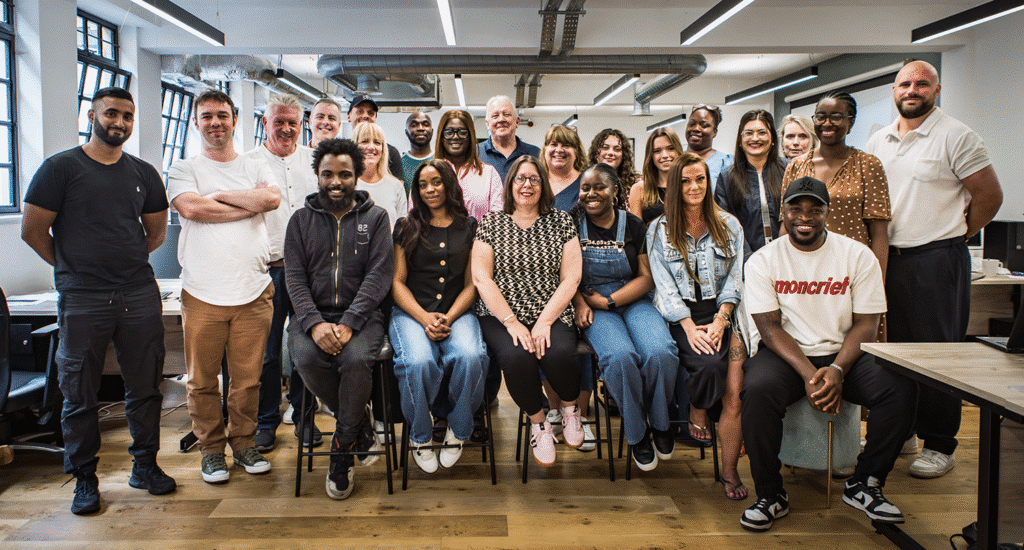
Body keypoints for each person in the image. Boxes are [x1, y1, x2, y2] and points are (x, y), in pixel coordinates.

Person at [21, 86, 176, 514]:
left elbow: (156, 233)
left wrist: (122, 264)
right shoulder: (60, 169)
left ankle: (145, 466)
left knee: (145, 388)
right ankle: (84, 479)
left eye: (127, 116)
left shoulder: (143, 173)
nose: (120, 123)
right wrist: (74, 267)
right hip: (82, 296)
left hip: (138, 293)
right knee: (79, 393)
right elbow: (33, 232)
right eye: (111, 114)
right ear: (91, 115)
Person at [739, 176, 916, 532]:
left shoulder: (857, 255)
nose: (805, 216)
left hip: (846, 353)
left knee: (901, 387)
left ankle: (865, 483)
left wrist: (836, 368)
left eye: (814, 209)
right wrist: (809, 374)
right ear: (782, 213)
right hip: (787, 356)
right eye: (796, 208)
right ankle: (771, 493)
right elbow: (770, 328)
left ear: (827, 213)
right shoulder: (763, 260)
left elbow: (867, 323)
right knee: (756, 390)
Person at [864, 60, 1003, 479]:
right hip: (890, 259)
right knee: (894, 353)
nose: (912, 89)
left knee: (939, 354)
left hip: (936, 259)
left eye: (921, 83)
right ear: (893, 91)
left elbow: (989, 196)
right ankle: (902, 430)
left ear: (936, 90)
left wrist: (959, 233)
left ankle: (940, 444)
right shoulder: (878, 140)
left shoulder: (955, 135)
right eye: (904, 83)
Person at [166, 89, 280, 485]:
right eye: (207, 116)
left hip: (253, 292)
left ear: (234, 120)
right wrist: (244, 204)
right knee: (201, 381)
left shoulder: (255, 162)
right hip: (202, 294)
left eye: (223, 115)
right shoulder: (183, 167)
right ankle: (212, 451)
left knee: (248, 380)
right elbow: (193, 209)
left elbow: (271, 199)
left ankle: (244, 443)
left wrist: (219, 196)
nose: (216, 122)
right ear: (196, 122)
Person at [285, 138, 394, 499]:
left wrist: (349, 321)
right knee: (304, 357)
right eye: (328, 174)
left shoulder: (377, 218)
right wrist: (315, 323)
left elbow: (379, 275)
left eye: (345, 174)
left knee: (356, 358)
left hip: (363, 317)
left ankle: (342, 448)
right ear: (317, 175)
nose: (336, 182)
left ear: (357, 176)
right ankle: (357, 420)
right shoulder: (299, 221)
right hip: (311, 315)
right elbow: (295, 278)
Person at [471, 155, 584, 467]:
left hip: (551, 308)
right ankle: (540, 423)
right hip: (501, 313)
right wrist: (512, 322)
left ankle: (570, 408)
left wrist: (545, 321)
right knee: (516, 356)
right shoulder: (491, 223)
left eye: (534, 179)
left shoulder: (561, 221)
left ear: (543, 185)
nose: (527, 185)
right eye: (520, 178)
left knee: (559, 353)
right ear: (510, 185)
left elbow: (571, 277)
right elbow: (481, 277)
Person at [647, 154, 747, 498]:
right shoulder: (659, 229)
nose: (694, 187)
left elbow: (736, 277)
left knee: (719, 360)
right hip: (680, 315)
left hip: (721, 311)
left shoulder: (730, 224)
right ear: (675, 186)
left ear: (708, 182)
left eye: (700, 180)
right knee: (704, 361)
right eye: (686, 181)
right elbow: (662, 286)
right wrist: (689, 326)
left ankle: (699, 409)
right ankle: (698, 409)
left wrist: (722, 319)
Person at [570, 164, 677, 472]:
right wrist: (580, 302)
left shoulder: (633, 225)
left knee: (661, 352)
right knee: (619, 358)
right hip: (590, 302)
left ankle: (660, 422)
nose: (592, 194)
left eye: (599, 187)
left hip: (631, 298)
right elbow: (564, 275)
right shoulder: (571, 225)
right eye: (586, 188)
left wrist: (612, 300)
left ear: (615, 190)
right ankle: (637, 433)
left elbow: (647, 277)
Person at [391, 159, 487, 473]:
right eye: (423, 184)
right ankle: (419, 436)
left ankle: (459, 429)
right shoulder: (406, 226)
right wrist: (423, 318)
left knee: (471, 356)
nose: (430, 189)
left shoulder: (470, 226)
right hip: (411, 312)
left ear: (448, 184)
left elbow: (473, 284)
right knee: (417, 361)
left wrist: (448, 316)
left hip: (457, 310)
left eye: (436, 182)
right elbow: (397, 282)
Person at [244, 94, 322, 453]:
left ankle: (305, 417)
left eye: (293, 122)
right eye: (279, 121)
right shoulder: (248, 165)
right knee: (268, 352)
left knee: (305, 347)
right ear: (265, 122)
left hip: (310, 272)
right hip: (268, 271)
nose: (287, 129)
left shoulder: (315, 161)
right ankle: (266, 421)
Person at [781, 92, 891, 336]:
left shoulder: (868, 165)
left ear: (850, 122)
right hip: (804, 275)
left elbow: (880, 234)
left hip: (853, 273)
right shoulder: (796, 165)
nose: (827, 124)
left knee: (855, 343)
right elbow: (784, 226)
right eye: (821, 117)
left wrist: (875, 287)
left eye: (836, 117)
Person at [714, 110, 788, 257]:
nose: (755, 138)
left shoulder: (788, 169)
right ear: (740, 140)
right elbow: (726, 224)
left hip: (787, 256)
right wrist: (749, 259)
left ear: (772, 138)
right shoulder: (727, 177)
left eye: (762, 132)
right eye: (748, 133)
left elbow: (795, 214)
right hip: (745, 260)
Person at [433, 109, 503, 222]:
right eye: (449, 132)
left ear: (470, 137)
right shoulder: (427, 174)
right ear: (441, 137)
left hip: (480, 239)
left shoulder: (489, 174)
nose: (455, 137)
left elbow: (498, 219)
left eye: (462, 132)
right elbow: (417, 216)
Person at [353, 121, 408, 232]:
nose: (371, 147)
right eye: (364, 141)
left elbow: (402, 232)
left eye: (377, 143)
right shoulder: (346, 186)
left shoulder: (396, 186)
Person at [477, 95, 541, 182]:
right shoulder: (474, 153)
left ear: (517, 122)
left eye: (506, 114)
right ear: (487, 124)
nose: (501, 119)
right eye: (495, 116)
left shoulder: (536, 154)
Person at [628, 128, 683, 225]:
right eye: (657, 151)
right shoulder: (639, 189)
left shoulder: (688, 185)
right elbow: (637, 234)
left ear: (678, 151)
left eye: (670, 148)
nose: (665, 155)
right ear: (651, 156)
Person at [347, 94, 404, 182]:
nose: (366, 116)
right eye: (360, 111)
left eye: (370, 113)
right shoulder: (342, 151)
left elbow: (397, 189)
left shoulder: (391, 153)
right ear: (349, 116)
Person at [684, 104, 732, 193]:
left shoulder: (727, 163)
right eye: (692, 124)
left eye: (704, 125)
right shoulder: (674, 159)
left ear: (714, 132)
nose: (696, 128)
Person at [588, 128, 639, 207]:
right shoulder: (584, 182)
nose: (611, 153)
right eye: (605, 147)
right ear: (596, 152)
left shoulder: (635, 184)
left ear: (623, 155)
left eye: (617, 149)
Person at [401, 110, 434, 196]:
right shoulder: (399, 165)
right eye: (414, 125)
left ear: (432, 131)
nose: (420, 128)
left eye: (425, 124)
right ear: (406, 132)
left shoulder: (441, 160)